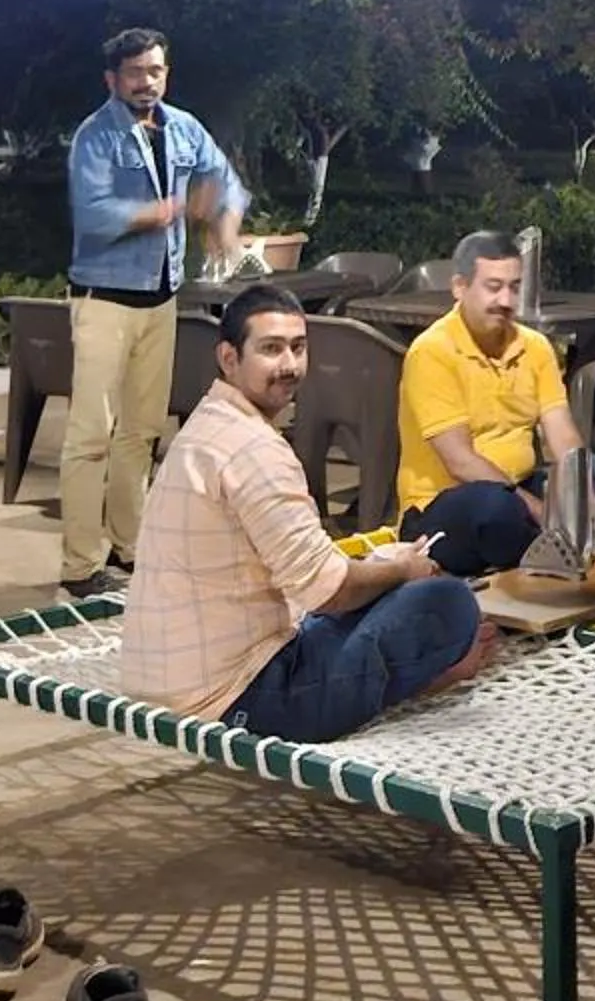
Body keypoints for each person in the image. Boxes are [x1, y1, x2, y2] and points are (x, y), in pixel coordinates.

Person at [120, 283, 487, 739]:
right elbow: (328, 593)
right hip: (235, 695)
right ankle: (438, 674)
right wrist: (404, 571)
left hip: (175, 674)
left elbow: (306, 576)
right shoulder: (254, 450)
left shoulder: (209, 425)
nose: (289, 366)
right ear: (229, 358)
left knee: (379, 588)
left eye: (298, 347)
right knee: (447, 603)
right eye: (271, 350)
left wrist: (379, 570)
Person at [61, 25, 250, 599]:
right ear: (112, 79)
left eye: (157, 70)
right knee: (91, 434)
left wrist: (226, 225)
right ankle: (79, 563)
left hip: (160, 300)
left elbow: (226, 182)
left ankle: (132, 546)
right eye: (137, 72)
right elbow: (93, 215)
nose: (148, 82)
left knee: (141, 432)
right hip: (103, 301)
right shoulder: (95, 135)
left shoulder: (184, 126)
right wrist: (165, 211)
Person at [396, 229, 595, 574]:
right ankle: (549, 542)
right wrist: (537, 508)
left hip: (521, 485)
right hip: (448, 504)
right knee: (495, 511)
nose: (505, 300)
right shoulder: (433, 351)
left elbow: (561, 432)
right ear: (460, 287)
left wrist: (580, 491)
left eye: (514, 287)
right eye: (493, 287)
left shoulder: (534, 346)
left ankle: (549, 542)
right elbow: (460, 462)